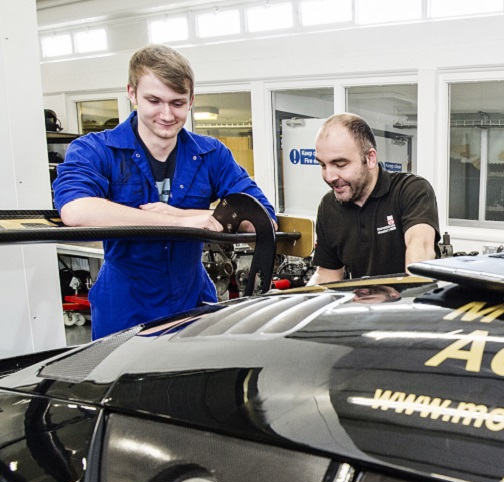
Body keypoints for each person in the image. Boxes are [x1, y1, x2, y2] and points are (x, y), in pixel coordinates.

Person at [53, 44, 277, 339]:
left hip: (194, 305)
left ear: (191, 100)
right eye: (154, 100)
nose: (167, 114)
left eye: (177, 102)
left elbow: (263, 218)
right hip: (124, 309)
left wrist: (185, 214)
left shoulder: (211, 154)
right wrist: (177, 222)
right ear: (131, 93)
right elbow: (76, 210)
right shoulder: (96, 149)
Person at [311, 113, 439, 284]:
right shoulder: (329, 206)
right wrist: (297, 301)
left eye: (340, 164)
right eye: (322, 165)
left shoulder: (410, 190)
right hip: (362, 307)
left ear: (370, 158)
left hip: (411, 304)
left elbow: (421, 250)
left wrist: (410, 297)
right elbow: (327, 274)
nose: (329, 176)